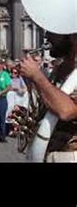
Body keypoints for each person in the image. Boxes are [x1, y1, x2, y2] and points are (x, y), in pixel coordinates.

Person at [20, 32, 77, 162]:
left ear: (71, 36)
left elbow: (66, 111)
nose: (46, 36)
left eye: (54, 31)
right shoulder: (60, 69)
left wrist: (37, 76)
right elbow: (53, 110)